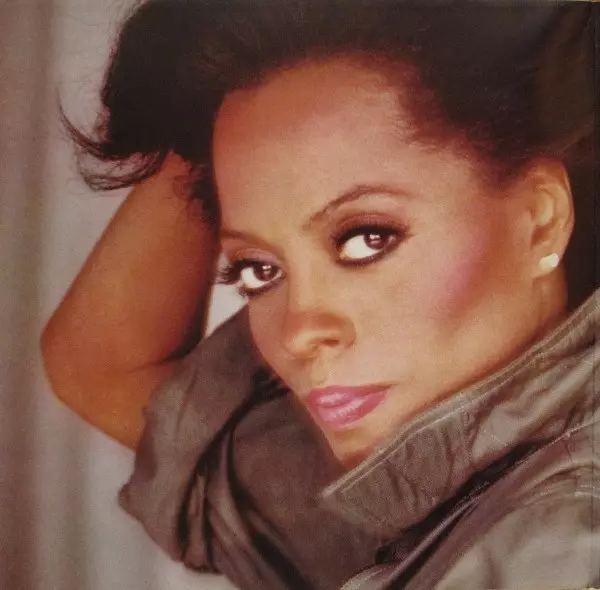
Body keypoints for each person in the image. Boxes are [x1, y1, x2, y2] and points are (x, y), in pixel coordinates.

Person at [42, 1, 599, 589]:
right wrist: (218, 104)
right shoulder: (393, 474)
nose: (299, 331)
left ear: (539, 220)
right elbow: (100, 368)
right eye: (259, 270)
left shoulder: (561, 544)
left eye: (367, 239)